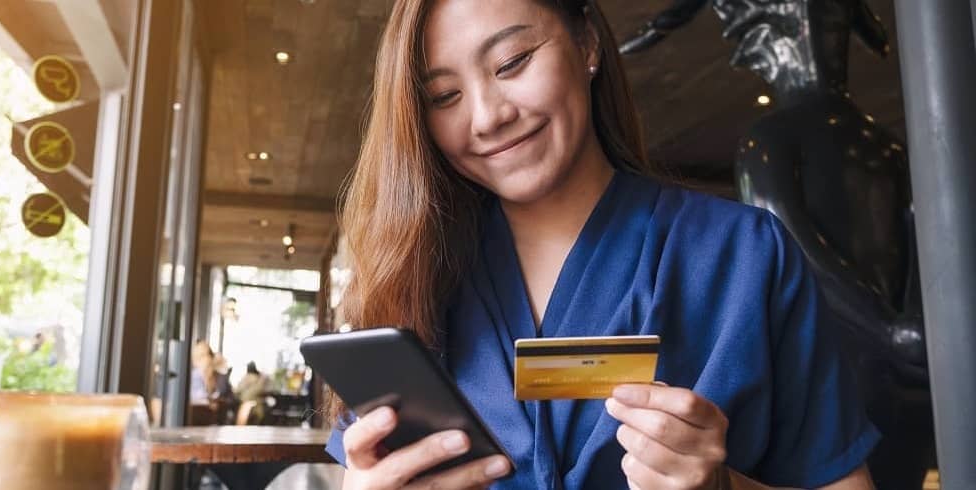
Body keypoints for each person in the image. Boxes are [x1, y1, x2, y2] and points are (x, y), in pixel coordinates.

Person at [324, 0, 879, 488]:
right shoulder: (416, 275)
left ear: (587, 42)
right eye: (445, 96)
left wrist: (722, 488)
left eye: (513, 62)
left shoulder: (744, 256)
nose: (488, 117)